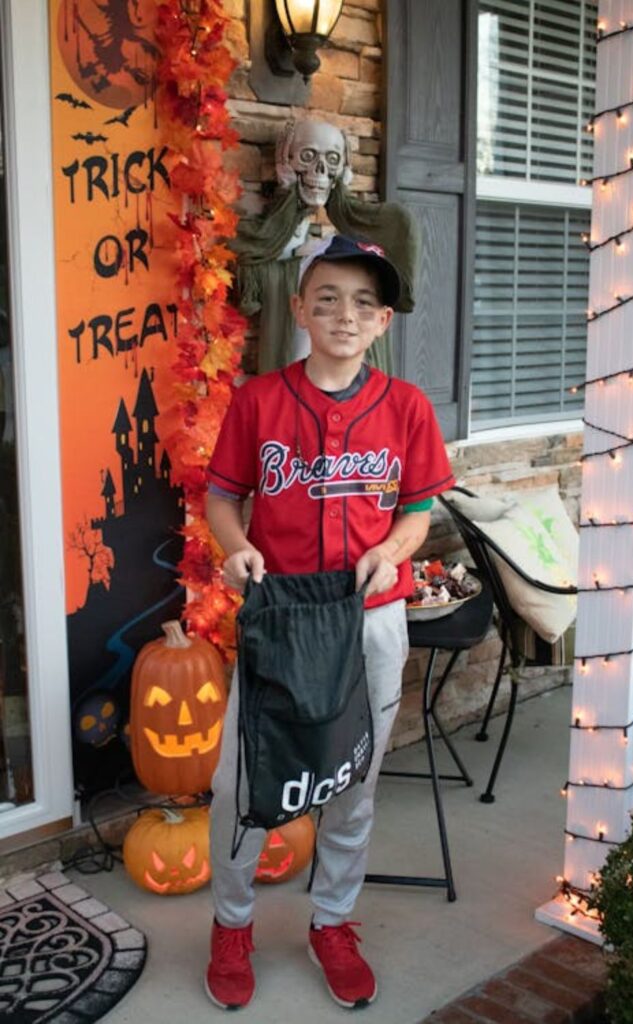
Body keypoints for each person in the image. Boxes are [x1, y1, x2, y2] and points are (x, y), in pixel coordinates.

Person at [204, 234, 455, 1011]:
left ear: (382, 320)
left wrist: (393, 548)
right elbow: (221, 497)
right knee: (240, 780)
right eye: (327, 298)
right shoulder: (258, 400)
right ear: (300, 310)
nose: (344, 314)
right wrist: (238, 547)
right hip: (281, 616)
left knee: (353, 780)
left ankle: (332, 922)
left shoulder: (407, 407)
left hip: (370, 618)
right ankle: (231, 923)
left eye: (363, 302)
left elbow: (418, 507)